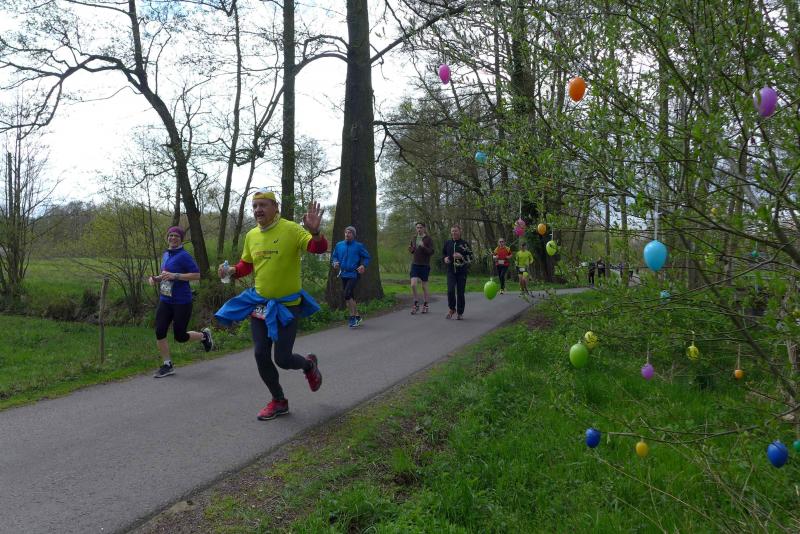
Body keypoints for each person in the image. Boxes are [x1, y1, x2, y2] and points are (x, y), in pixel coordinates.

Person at [214, 190, 326, 421]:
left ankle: (308, 365)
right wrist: (232, 271)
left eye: (263, 205)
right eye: (255, 206)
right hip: (260, 304)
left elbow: (318, 248)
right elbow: (247, 265)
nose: (258, 210)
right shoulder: (251, 235)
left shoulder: (291, 229)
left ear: (276, 207)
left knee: (282, 359)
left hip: (287, 305)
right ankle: (278, 400)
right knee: (260, 354)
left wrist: (315, 232)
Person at [148, 226, 213, 378]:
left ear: (181, 239)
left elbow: (196, 275)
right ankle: (167, 365)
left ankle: (204, 336)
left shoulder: (184, 256)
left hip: (182, 301)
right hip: (165, 300)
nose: (173, 238)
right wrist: (156, 278)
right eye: (170, 235)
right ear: (167, 238)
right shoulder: (166, 254)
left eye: (176, 236)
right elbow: (166, 274)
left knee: (180, 336)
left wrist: (175, 276)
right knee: (159, 331)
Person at [331, 225, 371, 328]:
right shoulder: (339, 245)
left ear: (353, 235)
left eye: (349, 233)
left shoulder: (358, 246)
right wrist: (335, 262)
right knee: (350, 296)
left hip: (354, 273)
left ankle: (352, 317)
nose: (347, 234)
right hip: (343, 273)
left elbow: (367, 257)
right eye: (346, 232)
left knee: (347, 294)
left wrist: (363, 265)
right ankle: (357, 316)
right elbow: (334, 256)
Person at [442, 224, 473, 320]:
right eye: (452, 231)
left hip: (462, 271)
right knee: (450, 290)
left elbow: (471, 257)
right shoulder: (447, 243)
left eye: (456, 231)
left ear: (460, 232)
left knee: (460, 292)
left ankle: (460, 312)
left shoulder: (464, 244)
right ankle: (452, 309)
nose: (454, 233)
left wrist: (462, 257)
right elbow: (443, 254)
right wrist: (445, 258)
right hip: (451, 271)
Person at [408, 222, 434, 314]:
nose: (419, 229)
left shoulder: (428, 239)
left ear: (424, 228)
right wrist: (411, 250)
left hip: (425, 265)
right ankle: (416, 303)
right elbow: (413, 250)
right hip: (415, 264)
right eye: (417, 227)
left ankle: (426, 304)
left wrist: (423, 247)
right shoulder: (414, 238)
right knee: (413, 285)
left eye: (420, 227)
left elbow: (431, 252)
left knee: (424, 286)